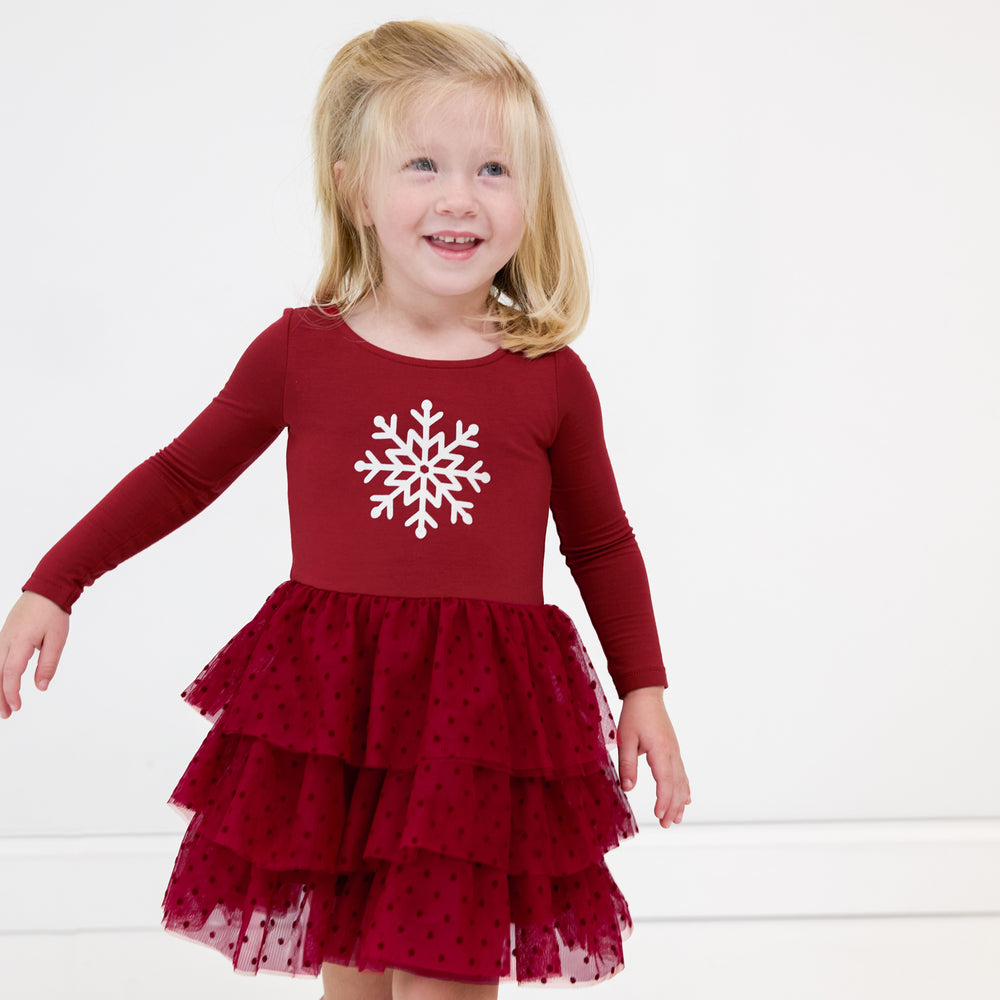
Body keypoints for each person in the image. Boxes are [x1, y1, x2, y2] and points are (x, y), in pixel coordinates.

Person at [0, 20, 690, 1000]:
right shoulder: (299, 353)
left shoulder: (550, 379)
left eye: (494, 168)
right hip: (339, 715)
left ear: (531, 198)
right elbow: (181, 474)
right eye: (423, 164)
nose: (460, 197)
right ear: (354, 189)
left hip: (474, 726)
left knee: (445, 974)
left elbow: (600, 540)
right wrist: (54, 580)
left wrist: (644, 686)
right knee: (356, 980)